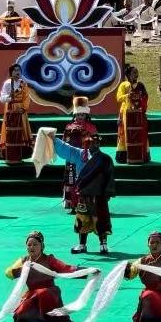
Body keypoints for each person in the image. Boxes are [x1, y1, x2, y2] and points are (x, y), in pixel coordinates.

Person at [43, 126, 116, 255]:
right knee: (82, 219)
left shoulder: (105, 159)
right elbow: (67, 149)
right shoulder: (79, 154)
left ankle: (103, 244)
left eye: (96, 143)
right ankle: (82, 245)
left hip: (98, 194)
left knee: (100, 219)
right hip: (83, 193)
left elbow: (109, 177)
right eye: (91, 143)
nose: (94, 145)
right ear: (85, 143)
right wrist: (54, 139)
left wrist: (108, 192)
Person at [3, 230, 77, 322]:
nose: (31, 247)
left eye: (35, 244)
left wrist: (87, 271)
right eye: (29, 245)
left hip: (49, 293)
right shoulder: (24, 261)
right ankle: (39, 321)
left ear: (41, 246)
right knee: (20, 316)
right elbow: (8, 273)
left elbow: (67, 269)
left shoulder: (49, 259)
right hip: (32, 293)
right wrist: (24, 268)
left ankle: (47, 320)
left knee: (42, 293)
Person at [59, 97, 97, 211]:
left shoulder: (91, 127)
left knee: (85, 179)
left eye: (82, 115)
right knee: (71, 179)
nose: (80, 117)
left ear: (86, 115)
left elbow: (95, 141)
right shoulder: (69, 127)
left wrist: (86, 136)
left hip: (85, 158)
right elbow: (64, 142)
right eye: (78, 115)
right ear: (75, 115)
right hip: (72, 159)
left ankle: (86, 203)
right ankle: (71, 203)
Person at [114, 65, 150, 164]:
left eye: (137, 72)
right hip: (126, 114)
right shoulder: (124, 85)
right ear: (128, 75)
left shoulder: (141, 85)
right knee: (125, 134)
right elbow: (119, 98)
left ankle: (142, 156)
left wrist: (140, 102)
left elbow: (145, 97)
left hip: (139, 113)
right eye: (134, 73)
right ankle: (124, 156)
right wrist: (128, 96)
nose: (136, 74)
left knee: (141, 133)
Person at [0, 64, 33, 162]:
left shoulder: (23, 83)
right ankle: (9, 156)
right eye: (15, 70)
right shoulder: (7, 83)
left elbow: (27, 98)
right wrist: (10, 98)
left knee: (22, 132)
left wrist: (24, 108)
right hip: (10, 110)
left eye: (19, 70)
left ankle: (22, 155)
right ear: (11, 72)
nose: (17, 72)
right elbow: (2, 98)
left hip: (21, 111)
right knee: (10, 133)